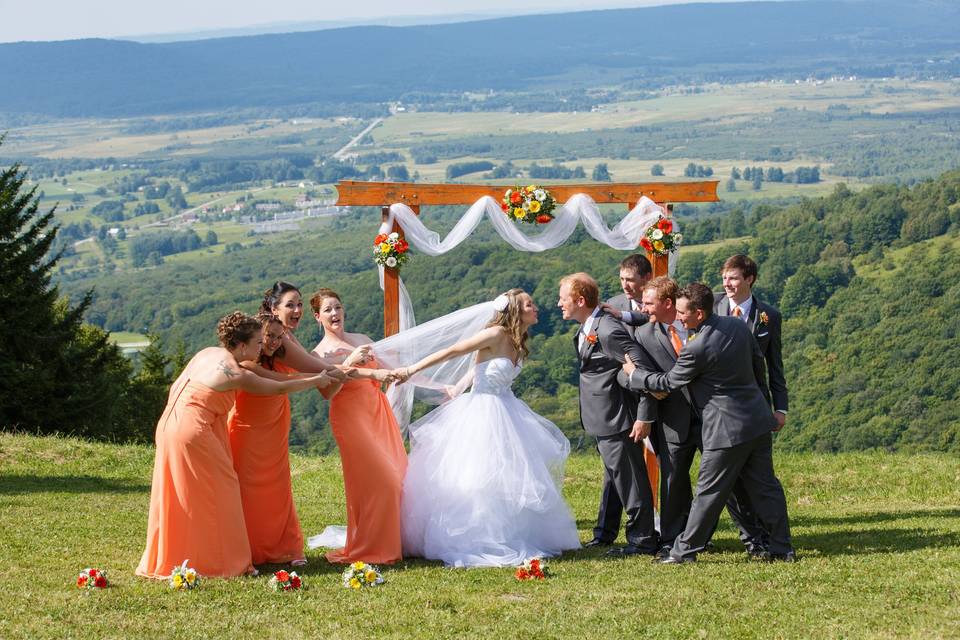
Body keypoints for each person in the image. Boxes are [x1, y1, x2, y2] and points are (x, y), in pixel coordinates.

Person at [137, 312, 334, 580]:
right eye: (256, 343)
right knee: (225, 491)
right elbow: (275, 388)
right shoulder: (235, 372)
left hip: (168, 424)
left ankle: (184, 556)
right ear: (241, 345)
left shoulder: (206, 353)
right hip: (194, 430)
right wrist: (315, 381)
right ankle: (226, 563)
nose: (260, 348)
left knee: (185, 492)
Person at [392, 289, 580, 568]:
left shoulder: (520, 339)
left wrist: (460, 384)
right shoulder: (495, 334)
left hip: (507, 409)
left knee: (511, 475)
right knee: (477, 474)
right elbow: (454, 351)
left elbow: (481, 365)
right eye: (530, 304)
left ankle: (510, 532)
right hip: (482, 410)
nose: (536, 307)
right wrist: (411, 369)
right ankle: (475, 535)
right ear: (515, 310)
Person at [622, 284, 794, 563]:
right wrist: (766, 405)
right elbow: (757, 365)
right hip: (757, 422)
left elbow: (668, 382)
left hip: (725, 430)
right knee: (766, 488)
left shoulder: (697, 347)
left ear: (699, 313)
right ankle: (782, 548)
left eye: (682, 312)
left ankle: (682, 552)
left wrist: (634, 373)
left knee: (708, 493)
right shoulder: (737, 327)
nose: (678, 317)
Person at [558, 272, 659, 557]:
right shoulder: (588, 326)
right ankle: (606, 533)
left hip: (618, 417)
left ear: (580, 300)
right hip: (603, 417)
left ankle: (642, 540)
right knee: (615, 478)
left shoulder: (607, 329)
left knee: (631, 482)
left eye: (563, 299)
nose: (558, 304)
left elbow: (640, 369)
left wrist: (644, 416)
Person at [306, 288, 407, 565]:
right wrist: (348, 363)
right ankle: (372, 547)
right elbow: (327, 393)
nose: (334, 313)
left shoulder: (362, 339)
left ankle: (394, 539)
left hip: (377, 411)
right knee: (380, 480)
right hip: (350, 418)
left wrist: (440, 386)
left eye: (337, 307)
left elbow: (394, 369)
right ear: (317, 317)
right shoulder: (318, 354)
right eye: (327, 310)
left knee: (397, 476)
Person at [714, 254, 788, 555]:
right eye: (724, 278)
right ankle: (752, 538)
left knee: (760, 479)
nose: (727, 284)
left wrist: (780, 408)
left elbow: (776, 365)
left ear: (749, 279)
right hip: (718, 408)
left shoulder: (769, 316)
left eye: (733, 278)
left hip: (755, 408)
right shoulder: (713, 307)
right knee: (729, 482)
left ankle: (773, 538)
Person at [621, 276, 699, 559]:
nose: (644, 308)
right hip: (671, 419)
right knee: (673, 480)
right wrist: (646, 414)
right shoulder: (642, 335)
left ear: (668, 303)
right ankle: (672, 540)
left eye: (649, 303)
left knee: (723, 479)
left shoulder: (697, 326)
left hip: (710, 415)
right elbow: (635, 377)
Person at [228, 313, 309, 567]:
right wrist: (318, 379)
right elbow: (282, 383)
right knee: (248, 493)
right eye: (268, 336)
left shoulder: (280, 359)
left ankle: (286, 548)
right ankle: (250, 549)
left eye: (278, 336)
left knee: (279, 488)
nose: (273, 342)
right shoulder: (247, 363)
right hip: (247, 433)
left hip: (274, 430)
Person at [590, 254, 654, 547]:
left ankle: (668, 530)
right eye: (622, 280)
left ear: (646, 279)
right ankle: (605, 532)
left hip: (655, 388)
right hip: (620, 395)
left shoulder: (659, 301)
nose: (626, 286)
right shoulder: (611, 305)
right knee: (615, 467)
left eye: (631, 280)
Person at [259, 280, 365, 379]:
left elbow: (310, 359)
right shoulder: (277, 339)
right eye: (290, 305)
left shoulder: (286, 334)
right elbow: (319, 370)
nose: (297, 310)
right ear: (274, 309)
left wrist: (345, 356)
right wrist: (351, 360)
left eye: (299, 304)